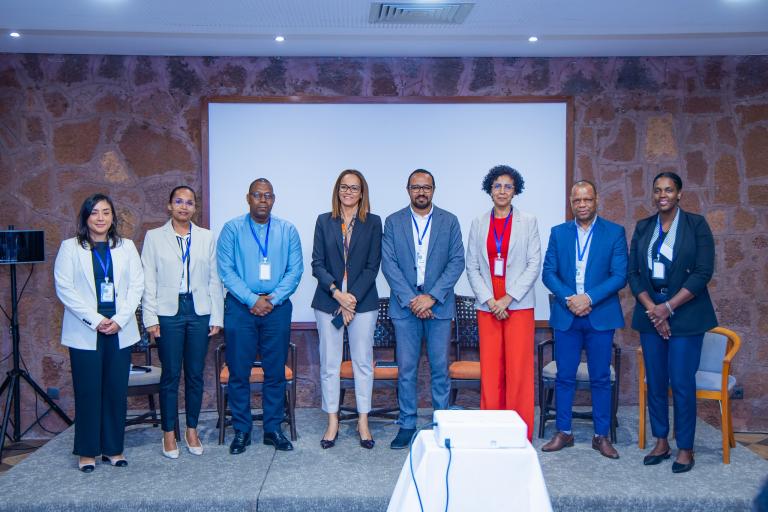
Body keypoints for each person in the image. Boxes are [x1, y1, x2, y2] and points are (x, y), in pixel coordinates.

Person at [628, 171, 717, 473]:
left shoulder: (696, 225)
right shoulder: (643, 227)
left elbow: (703, 273)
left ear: (679, 194)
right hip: (650, 314)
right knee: (655, 382)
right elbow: (634, 275)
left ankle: (686, 448)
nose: (662, 195)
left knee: (680, 382)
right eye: (657, 190)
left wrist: (668, 308)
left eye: (668, 190)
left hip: (686, 315)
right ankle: (661, 441)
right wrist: (655, 309)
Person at [53, 193, 144, 472]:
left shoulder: (126, 247)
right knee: (88, 390)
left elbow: (136, 286)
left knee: (116, 390)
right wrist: (96, 320)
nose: (101, 218)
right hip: (85, 330)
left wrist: (118, 319)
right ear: (86, 217)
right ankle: (88, 451)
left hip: (120, 329)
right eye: (95, 213)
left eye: (106, 212)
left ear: (113, 217)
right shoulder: (70, 248)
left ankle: (114, 449)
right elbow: (64, 288)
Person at [541, 180, 627, 458]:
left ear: (596, 200)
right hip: (567, 315)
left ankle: (601, 436)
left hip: (599, 315)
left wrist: (588, 298)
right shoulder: (558, 233)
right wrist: (571, 298)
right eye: (577, 200)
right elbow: (549, 273)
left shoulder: (614, 233)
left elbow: (619, 275)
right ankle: (563, 432)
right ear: (571, 202)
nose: (582, 205)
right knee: (565, 376)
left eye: (587, 200)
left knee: (600, 377)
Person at [217, 178, 303, 454]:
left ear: (273, 199)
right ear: (248, 198)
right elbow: (226, 270)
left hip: (277, 309)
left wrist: (272, 300)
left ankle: (272, 429)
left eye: (267, 196)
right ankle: (241, 430)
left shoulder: (288, 230)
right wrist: (253, 299)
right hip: (241, 309)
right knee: (239, 372)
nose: (262, 200)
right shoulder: (231, 229)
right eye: (257, 195)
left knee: (275, 371)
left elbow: (295, 271)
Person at [381, 168, 464, 449]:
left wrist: (432, 297)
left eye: (426, 187)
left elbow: (456, 262)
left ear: (434, 190)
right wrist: (412, 300)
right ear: (408, 190)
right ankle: (407, 424)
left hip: (438, 307)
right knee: (407, 369)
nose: (421, 192)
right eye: (416, 187)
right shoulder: (393, 222)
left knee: (440, 368)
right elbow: (388, 264)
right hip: (406, 308)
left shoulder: (449, 221)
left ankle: (440, 423)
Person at [141, 185, 224, 459]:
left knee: (195, 374)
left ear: (195, 208)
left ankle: (191, 429)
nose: (184, 207)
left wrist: (216, 316)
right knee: (171, 374)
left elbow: (215, 278)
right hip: (168, 312)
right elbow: (148, 279)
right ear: (169, 206)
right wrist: (150, 317)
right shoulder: (154, 238)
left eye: (189, 203)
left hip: (198, 310)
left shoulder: (206, 237)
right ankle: (168, 432)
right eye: (179, 202)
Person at [465, 165, 540, 441]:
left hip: (517, 305)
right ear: (489, 189)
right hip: (488, 306)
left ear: (515, 190)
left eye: (508, 186)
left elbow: (534, 264)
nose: (502, 191)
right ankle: (491, 429)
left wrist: (508, 298)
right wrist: (489, 299)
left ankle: (519, 432)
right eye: (497, 185)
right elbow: (471, 266)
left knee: (518, 369)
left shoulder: (528, 221)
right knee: (492, 369)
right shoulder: (478, 222)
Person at [311, 170, 382, 449]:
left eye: (354, 187)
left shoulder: (373, 222)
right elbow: (317, 263)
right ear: (337, 190)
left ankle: (363, 421)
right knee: (329, 364)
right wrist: (339, 295)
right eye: (344, 187)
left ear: (362, 192)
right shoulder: (324, 221)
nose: (348, 192)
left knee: (363, 363)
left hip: (362, 303)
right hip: (329, 301)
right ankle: (332, 422)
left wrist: (351, 299)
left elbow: (372, 265)